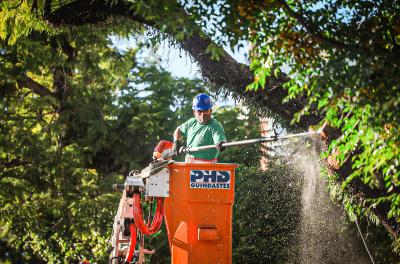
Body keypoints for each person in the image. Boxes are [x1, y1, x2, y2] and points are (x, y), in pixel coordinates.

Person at [173, 93, 226, 163]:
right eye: (200, 111)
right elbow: (178, 131)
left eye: (206, 110)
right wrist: (176, 143)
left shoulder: (215, 126)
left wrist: (221, 144)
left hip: (208, 168)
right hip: (189, 165)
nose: (203, 114)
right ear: (194, 112)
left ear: (211, 111)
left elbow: (220, 141)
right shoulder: (191, 123)